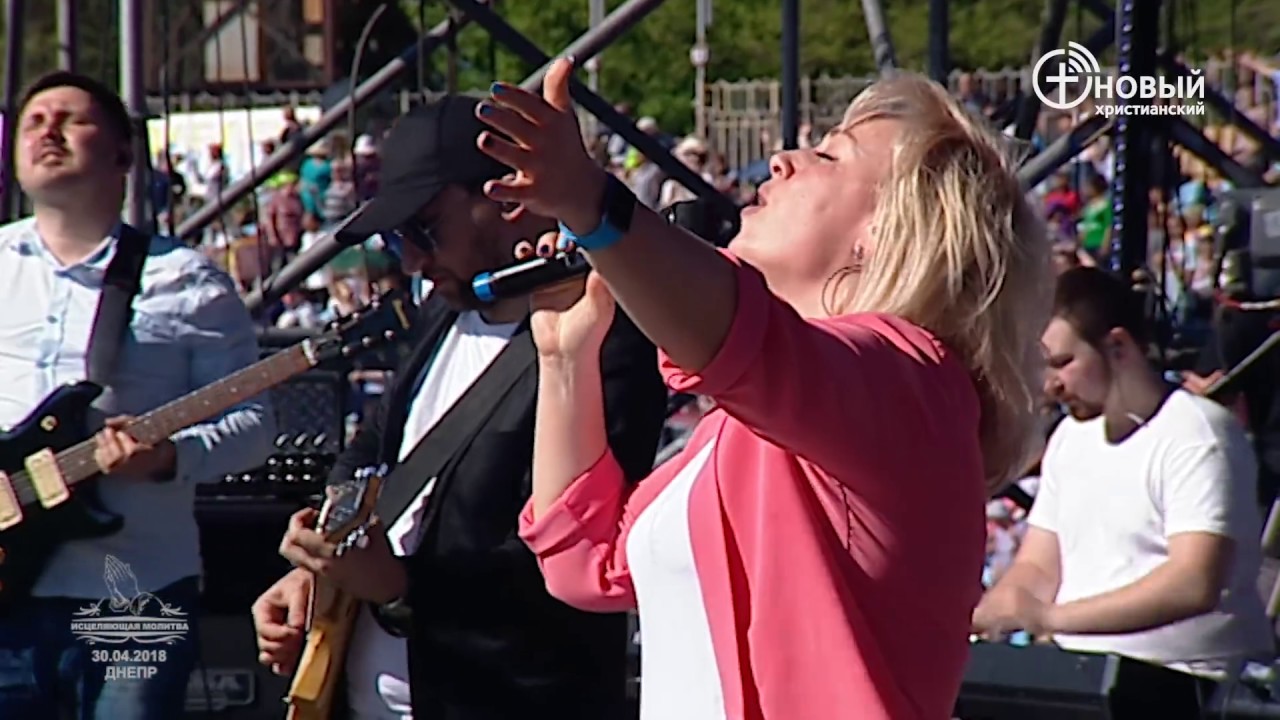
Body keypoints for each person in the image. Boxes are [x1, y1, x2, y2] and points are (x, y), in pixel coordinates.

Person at [477, 61, 1052, 718]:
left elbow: (738, 336)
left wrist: (593, 203)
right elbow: (587, 563)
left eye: (828, 155)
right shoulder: (747, 427)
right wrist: (565, 355)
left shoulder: (915, 383)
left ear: (888, 230)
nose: (782, 160)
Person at [251, 94, 667, 719]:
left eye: (425, 228)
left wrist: (399, 587)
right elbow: (373, 452)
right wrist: (321, 569)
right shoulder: (442, 310)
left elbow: (576, 557)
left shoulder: (606, 334)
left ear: (507, 198)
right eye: (397, 237)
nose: (412, 259)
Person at [0, 71, 274, 718]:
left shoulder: (187, 282)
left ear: (124, 153)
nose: (48, 131)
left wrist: (168, 457)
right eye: (34, 121)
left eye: (71, 119)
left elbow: (253, 425)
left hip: (133, 594)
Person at [973, 267, 1272, 718]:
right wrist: (1000, 609)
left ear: (1118, 346)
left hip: (1189, 685)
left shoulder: (1196, 434)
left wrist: (1050, 618)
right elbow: (1038, 563)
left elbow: (1193, 582)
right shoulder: (1070, 439)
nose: (1051, 384)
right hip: (1084, 677)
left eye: (1063, 362)